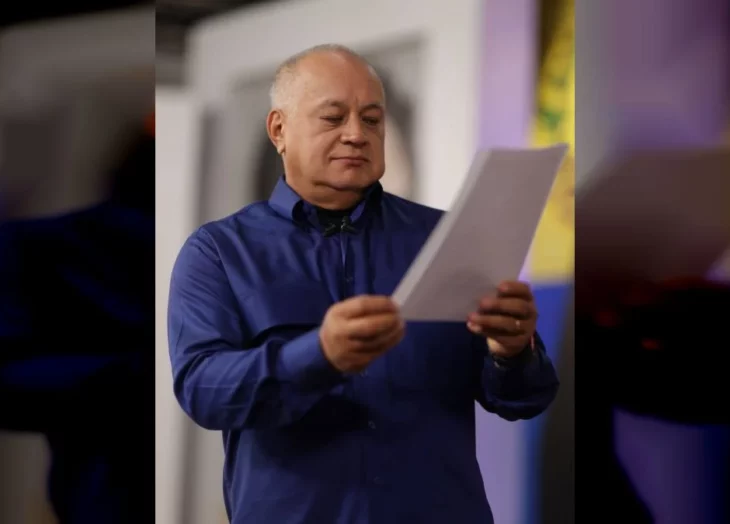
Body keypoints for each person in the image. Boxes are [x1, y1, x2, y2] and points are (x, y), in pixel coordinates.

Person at [168, 44, 559, 524]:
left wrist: (512, 351)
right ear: (279, 130)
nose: (356, 134)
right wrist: (318, 355)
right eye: (333, 118)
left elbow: (523, 399)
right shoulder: (218, 253)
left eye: (372, 119)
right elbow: (203, 391)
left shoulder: (448, 238)